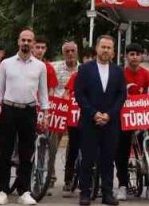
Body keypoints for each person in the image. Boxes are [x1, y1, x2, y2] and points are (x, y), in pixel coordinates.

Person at [0, 28, 50, 206]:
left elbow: (43, 93)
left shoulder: (40, 66)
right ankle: (2, 190)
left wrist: (45, 114)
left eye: (29, 40)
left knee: (26, 153)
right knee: (5, 151)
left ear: (33, 43)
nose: (26, 43)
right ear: (18, 41)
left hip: (29, 111)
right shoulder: (6, 64)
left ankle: (24, 191)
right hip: (9, 109)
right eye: (23, 40)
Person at [75, 35, 127, 206]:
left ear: (113, 51)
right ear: (96, 48)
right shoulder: (84, 69)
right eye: (103, 47)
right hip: (90, 122)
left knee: (108, 159)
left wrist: (109, 115)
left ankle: (107, 194)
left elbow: (121, 96)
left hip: (111, 122)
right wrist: (94, 114)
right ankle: (85, 193)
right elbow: (79, 95)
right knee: (88, 159)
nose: (105, 50)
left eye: (109, 48)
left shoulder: (118, 71)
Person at [116, 43, 149, 201]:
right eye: (132, 54)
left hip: (142, 116)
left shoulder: (146, 74)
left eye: (137, 54)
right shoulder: (119, 74)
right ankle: (122, 185)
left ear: (141, 57)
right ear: (126, 56)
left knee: (147, 150)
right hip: (124, 118)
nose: (135, 57)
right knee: (121, 153)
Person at [54, 40, 82, 196]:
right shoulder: (56, 68)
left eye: (73, 50)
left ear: (76, 52)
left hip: (78, 111)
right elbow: (55, 89)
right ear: (63, 52)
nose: (70, 53)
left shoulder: (83, 70)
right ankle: (48, 176)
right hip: (60, 109)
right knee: (52, 143)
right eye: (67, 51)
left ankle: (70, 178)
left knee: (74, 144)